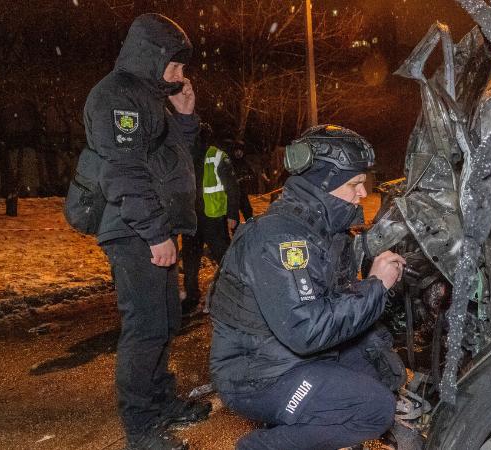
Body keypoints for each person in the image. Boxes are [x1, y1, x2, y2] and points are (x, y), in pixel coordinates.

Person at [209, 125, 411, 449]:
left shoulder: (327, 231)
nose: (362, 194)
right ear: (324, 185)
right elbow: (307, 330)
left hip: (291, 356)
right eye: (355, 184)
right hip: (256, 374)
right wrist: (376, 286)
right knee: (374, 409)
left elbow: (338, 299)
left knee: (377, 368)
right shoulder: (280, 240)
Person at [84, 13, 210, 450]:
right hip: (133, 230)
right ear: (151, 57)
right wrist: (156, 234)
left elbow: (173, 161)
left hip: (152, 227)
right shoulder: (118, 95)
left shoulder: (149, 96)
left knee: (165, 321)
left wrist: (186, 116)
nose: (181, 75)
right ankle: (141, 430)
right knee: (145, 328)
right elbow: (125, 171)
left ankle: (162, 402)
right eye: (175, 66)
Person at [181, 123, 241, 316]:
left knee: (223, 257)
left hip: (212, 216)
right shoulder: (184, 155)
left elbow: (231, 186)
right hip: (192, 217)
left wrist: (232, 214)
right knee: (191, 260)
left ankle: (236, 295)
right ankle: (192, 298)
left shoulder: (216, 155)